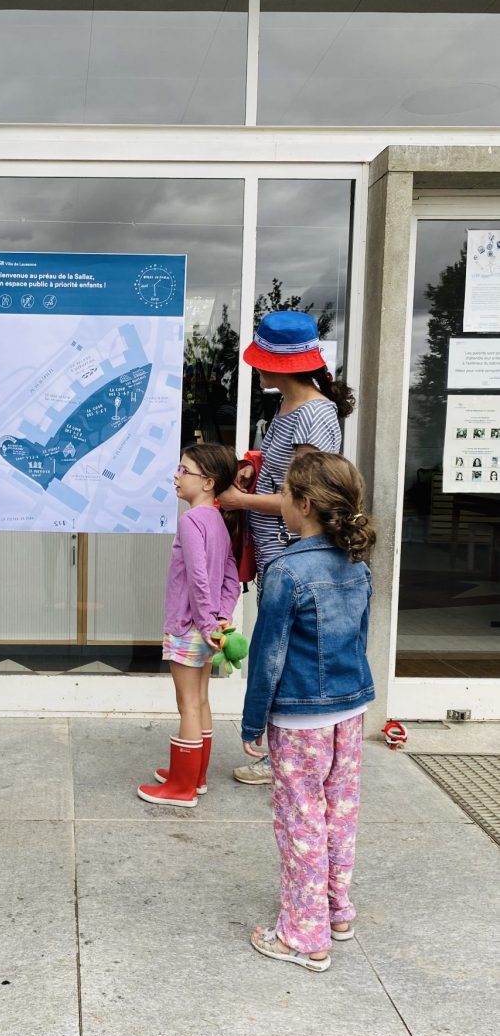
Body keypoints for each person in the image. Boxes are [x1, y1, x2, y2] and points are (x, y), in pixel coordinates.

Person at [240, 451, 375, 972]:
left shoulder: (287, 571)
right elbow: (360, 639)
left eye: (283, 493)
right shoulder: (356, 563)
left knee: (301, 820)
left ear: (304, 504)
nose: (278, 501)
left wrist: (253, 720)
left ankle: (304, 935)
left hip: (300, 718)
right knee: (339, 812)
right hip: (350, 707)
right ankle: (336, 911)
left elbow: (268, 654)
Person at [218, 310, 355, 787]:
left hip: (291, 552)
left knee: (285, 653)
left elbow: (303, 497)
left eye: (261, 360)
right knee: (280, 648)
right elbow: (282, 477)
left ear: (280, 365)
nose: (256, 368)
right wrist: (251, 471)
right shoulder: (287, 407)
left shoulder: (314, 415)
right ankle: (284, 752)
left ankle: (285, 755)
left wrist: (239, 500)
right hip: (276, 549)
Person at [137, 443, 240, 807]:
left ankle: (181, 788)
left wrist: (207, 622)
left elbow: (197, 578)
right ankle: (196, 776)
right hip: (209, 627)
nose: (176, 476)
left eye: (184, 470)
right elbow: (231, 576)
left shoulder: (191, 520)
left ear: (208, 482)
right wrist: (222, 617)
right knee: (201, 699)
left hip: (188, 626)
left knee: (188, 704)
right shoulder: (218, 521)